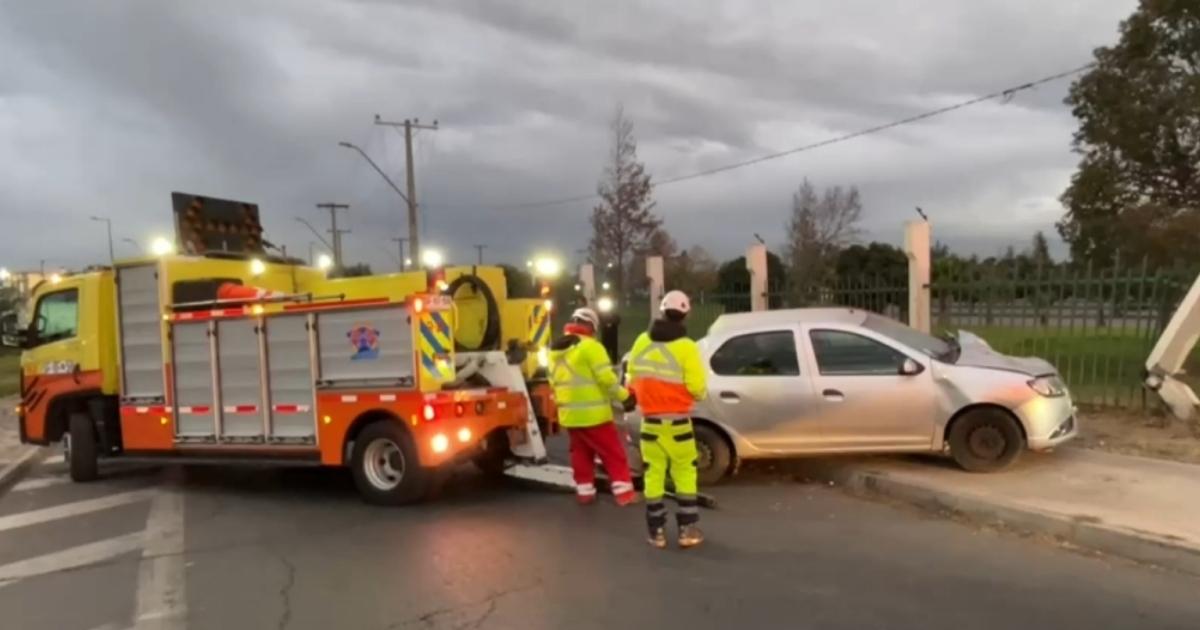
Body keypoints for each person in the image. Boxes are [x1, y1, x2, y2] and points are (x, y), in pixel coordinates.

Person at [625, 290, 708, 549]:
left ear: (661, 312)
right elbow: (697, 388)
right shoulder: (687, 347)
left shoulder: (640, 341)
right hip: (679, 425)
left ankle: (656, 533)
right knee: (684, 474)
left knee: (653, 476)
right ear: (685, 314)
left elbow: (630, 378)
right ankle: (687, 531)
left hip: (649, 423)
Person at [547, 307, 639, 506]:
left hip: (569, 415)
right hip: (594, 415)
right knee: (613, 453)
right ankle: (625, 495)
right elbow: (607, 379)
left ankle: (585, 493)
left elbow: (553, 383)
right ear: (590, 326)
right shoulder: (591, 347)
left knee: (580, 454)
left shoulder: (555, 351)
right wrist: (625, 397)